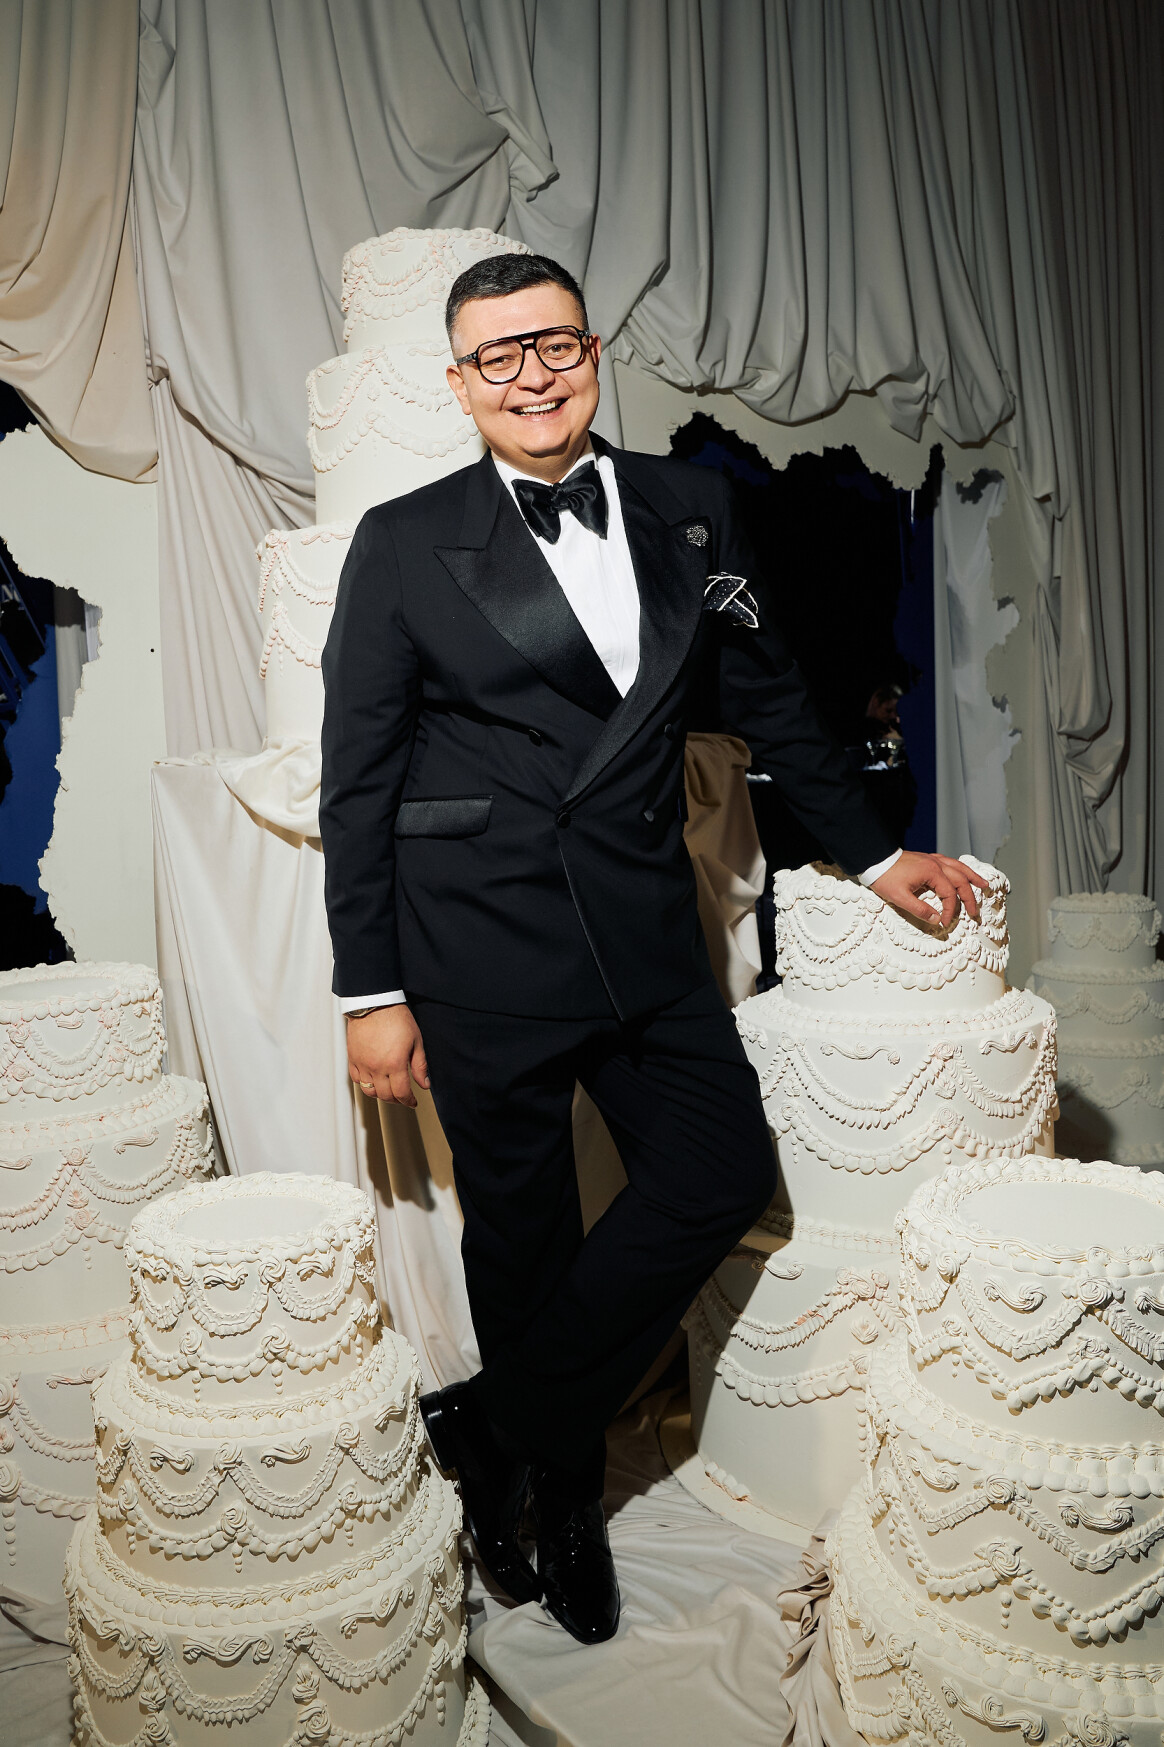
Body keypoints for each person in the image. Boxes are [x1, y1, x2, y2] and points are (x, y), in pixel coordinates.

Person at [319, 252, 986, 1645]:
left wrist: (874, 853)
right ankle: (561, 1496)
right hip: (479, 936)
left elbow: (764, 695)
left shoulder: (693, 507)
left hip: (639, 922)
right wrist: (370, 989)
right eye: (497, 356)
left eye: (553, 344)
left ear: (593, 350)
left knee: (719, 1171)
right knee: (522, 1232)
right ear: (460, 383)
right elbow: (358, 778)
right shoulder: (402, 538)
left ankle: (499, 1427)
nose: (532, 376)